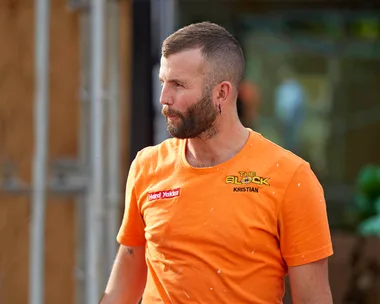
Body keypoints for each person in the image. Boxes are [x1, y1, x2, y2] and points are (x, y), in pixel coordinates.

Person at [100, 22, 333, 304]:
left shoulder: (291, 177)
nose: (164, 99)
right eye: (163, 82)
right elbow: (122, 288)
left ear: (222, 93)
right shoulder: (147, 166)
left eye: (178, 85)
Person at [274, 65, 306, 154]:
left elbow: (296, 106)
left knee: (292, 142)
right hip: (285, 120)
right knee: (285, 142)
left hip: (292, 120)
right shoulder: (283, 88)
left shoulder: (294, 88)